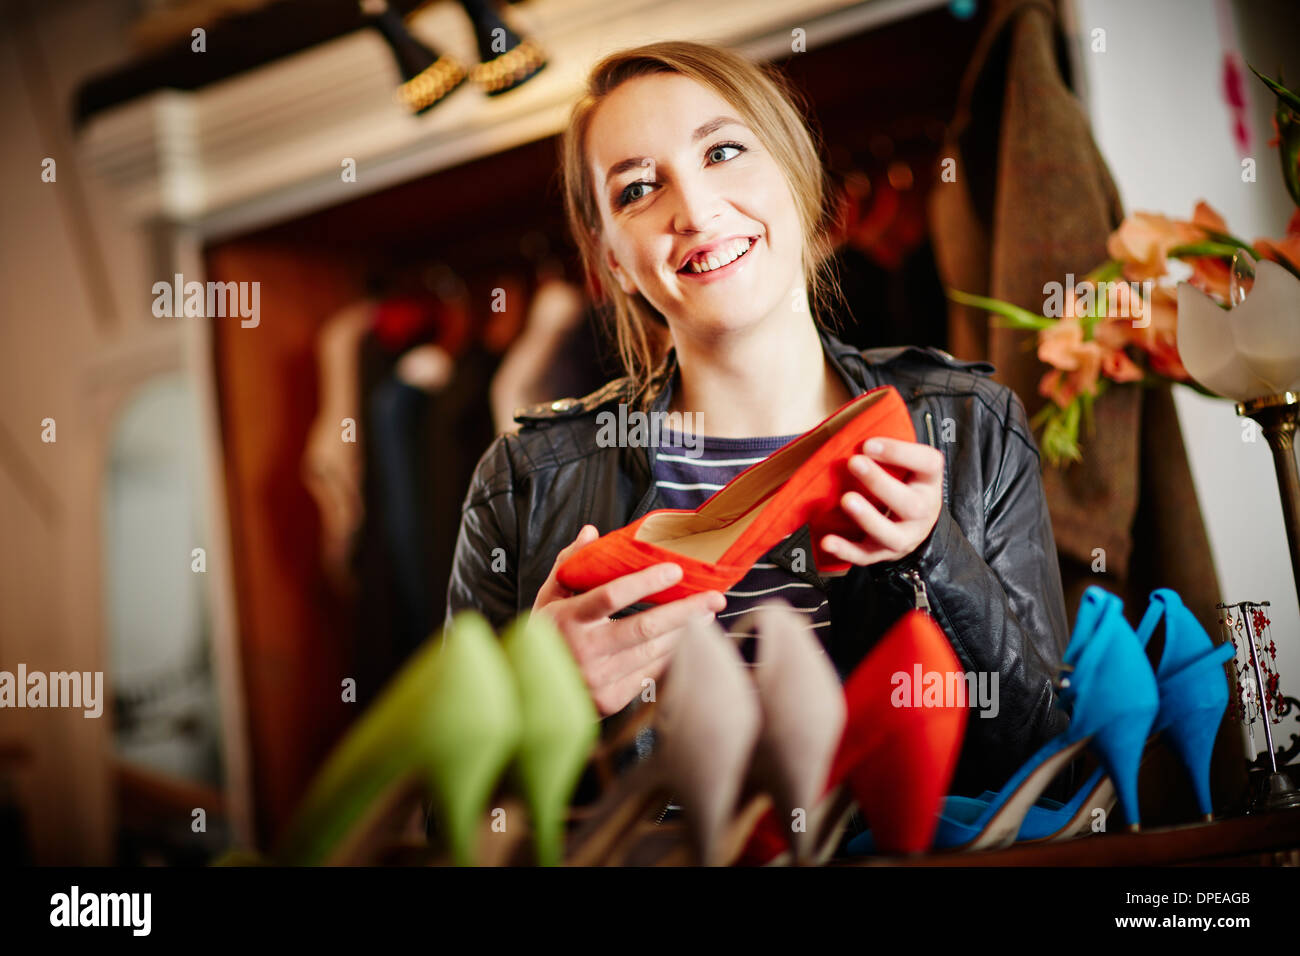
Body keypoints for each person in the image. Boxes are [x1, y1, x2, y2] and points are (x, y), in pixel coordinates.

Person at [445, 40, 1070, 797]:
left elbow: (1038, 749)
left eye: (725, 151)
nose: (696, 209)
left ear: (799, 179)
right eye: (638, 189)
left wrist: (932, 557)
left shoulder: (973, 426)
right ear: (613, 261)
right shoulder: (522, 481)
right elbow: (470, 810)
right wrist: (541, 700)